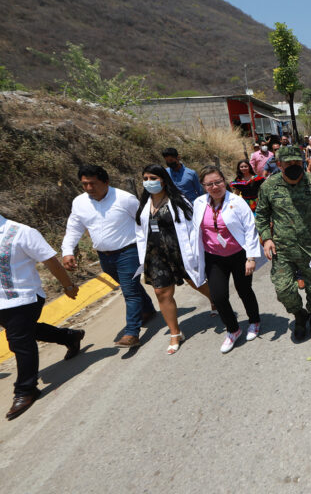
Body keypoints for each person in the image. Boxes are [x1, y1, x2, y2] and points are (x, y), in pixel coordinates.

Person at [62, 164, 156, 348]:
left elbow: (143, 222)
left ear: (106, 182)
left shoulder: (125, 199)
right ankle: (148, 310)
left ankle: (131, 333)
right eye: (84, 184)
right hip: (105, 257)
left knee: (129, 291)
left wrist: (150, 248)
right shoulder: (79, 203)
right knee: (129, 285)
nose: (89, 188)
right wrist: (67, 251)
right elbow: (74, 228)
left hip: (128, 251)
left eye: (93, 183)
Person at [0, 215, 83, 420]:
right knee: (27, 331)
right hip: (1, 303)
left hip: (24, 298)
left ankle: (26, 390)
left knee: (19, 341)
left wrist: (68, 285)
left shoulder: (21, 232)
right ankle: (69, 337)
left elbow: (51, 262)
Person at [256, 146, 311, 342]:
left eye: (297, 162)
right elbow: (262, 215)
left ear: (302, 162)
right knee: (283, 290)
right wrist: (266, 238)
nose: (294, 166)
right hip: (282, 249)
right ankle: (300, 315)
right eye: (289, 163)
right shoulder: (269, 186)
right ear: (280, 164)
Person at [135, 165, 214, 354]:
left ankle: (215, 300)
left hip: (179, 252)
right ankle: (175, 333)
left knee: (195, 281)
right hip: (155, 255)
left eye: (152, 177)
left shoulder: (178, 200)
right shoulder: (144, 205)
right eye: (145, 178)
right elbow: (140, 232)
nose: (148, 182)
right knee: (161, 292)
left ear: (163, 179)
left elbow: (194, 228)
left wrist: (196, 253)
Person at [192, 166, 263, 352]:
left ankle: (254, 321)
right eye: (209, 184)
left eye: (218, 182)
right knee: (218, 296)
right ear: (203, 186)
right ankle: (233, 330)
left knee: (244, 289)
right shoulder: (199, 203)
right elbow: (194, 232)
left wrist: (251, 257)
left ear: (225, 181)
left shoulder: (237, 202)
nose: (215, 187)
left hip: (238, 255)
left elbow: (250, 229)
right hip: (214, 258)